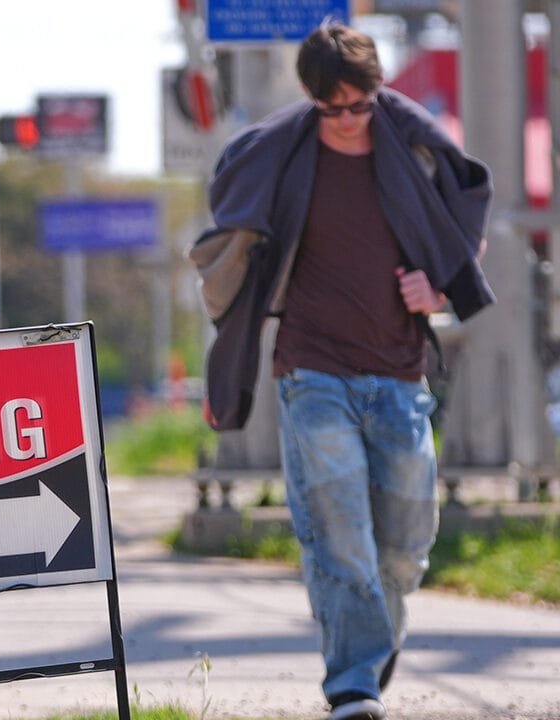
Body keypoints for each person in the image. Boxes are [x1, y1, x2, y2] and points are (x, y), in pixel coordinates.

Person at [189, 21, 494, 720]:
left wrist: (438, 287)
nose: (352, 120)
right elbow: (233, 202)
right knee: (339, 532)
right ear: (311, 96)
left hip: (400, 375)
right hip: (312, 372)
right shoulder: (284, 154)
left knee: (406, 544)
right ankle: (353, 684)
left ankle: (371, 644)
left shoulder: (411, 147)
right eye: (336, 109)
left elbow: (465, 211)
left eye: (362, 104)